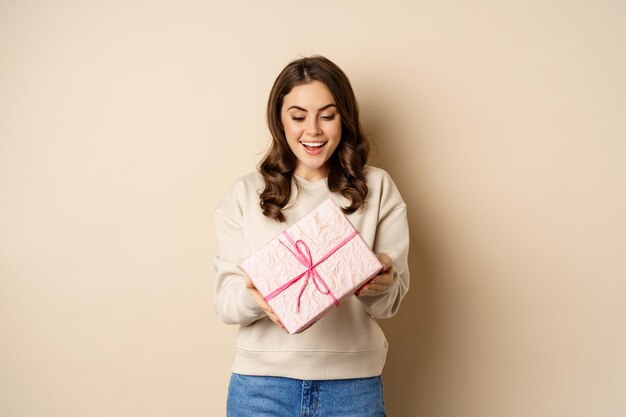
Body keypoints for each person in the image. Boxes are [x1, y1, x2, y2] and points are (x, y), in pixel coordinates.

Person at [212, 55, 410, 417]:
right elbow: (226, 304)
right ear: (280, 120)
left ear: (344, 118)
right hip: (261, 388)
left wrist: (379, 281)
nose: (313, 131)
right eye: (298, 116)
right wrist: (257, 295)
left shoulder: (377, 187)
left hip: (353, 388)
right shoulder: (244, 194)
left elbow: (389, 305)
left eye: (328, 116)